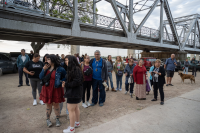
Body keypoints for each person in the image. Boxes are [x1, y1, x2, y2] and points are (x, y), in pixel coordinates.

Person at [39, 54, 66, 127]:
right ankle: (48, 119)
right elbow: (41, 77)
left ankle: (57, 119)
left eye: (48, 59)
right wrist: (43, 69)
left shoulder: (60, 69)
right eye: (46, 59)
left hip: (56, 88)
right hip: (47, 88)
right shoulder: (46, 68)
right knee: (48, 104)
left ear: (53, 60)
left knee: (56, 104)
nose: (46, 61)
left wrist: (61, 82)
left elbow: (65, 77)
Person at [62, 55, 84, 133]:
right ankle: (77, 123)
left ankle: (71, 128)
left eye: (67, 60)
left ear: (71, 61)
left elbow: (77, 82)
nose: (65, 62)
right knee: (76, 108)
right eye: (65, 60)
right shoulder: (75, 69)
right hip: (75, 92)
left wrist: (66, 84)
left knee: (70, 109)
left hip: (73, 93)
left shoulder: (75, 69)